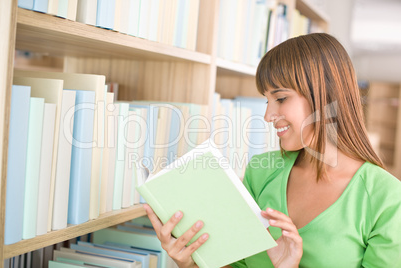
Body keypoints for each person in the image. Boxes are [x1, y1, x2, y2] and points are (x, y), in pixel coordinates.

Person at [143, 33, 401, 267]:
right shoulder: (260, 172)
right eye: (266, 101)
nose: (267, 115)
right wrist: (191, 263)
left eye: (280, 98)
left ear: (326, 95)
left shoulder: (387, 199)